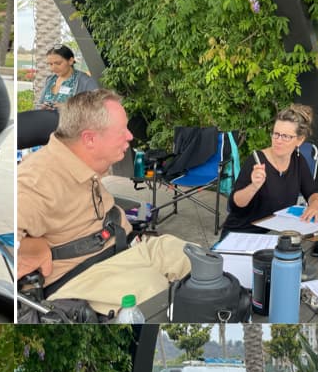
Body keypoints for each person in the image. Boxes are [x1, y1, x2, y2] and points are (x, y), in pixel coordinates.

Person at [17, 89, 191, 314]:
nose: (130, 136)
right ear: (89, 138)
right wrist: (30, 245)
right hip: (81, 274)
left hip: (125, 247)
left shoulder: (80, 159)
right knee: (154, 292)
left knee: (197, 259)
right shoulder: (36, 180)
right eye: (122, 131)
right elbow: (6, 236)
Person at [224, 104, 318, 234]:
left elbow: (313, 192)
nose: (278, 140)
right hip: (243, 233)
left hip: (275, 233)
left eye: (286, 136)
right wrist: (254, 186)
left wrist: (315, 206)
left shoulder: (298, 161)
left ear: (299, 140)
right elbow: (235, 205)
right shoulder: (257, 161)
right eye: (276, 134)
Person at [35, 45, 97, 111]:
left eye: (58, 63)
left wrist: (68, 107)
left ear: (70, 61)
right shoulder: (50, 80)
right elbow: (39, 105)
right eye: (50, 64)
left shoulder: (86, 81)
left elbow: (97, 107)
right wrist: (42, 107)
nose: (53, 68)